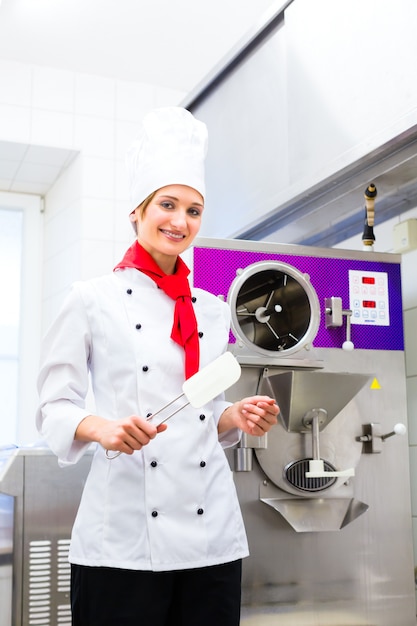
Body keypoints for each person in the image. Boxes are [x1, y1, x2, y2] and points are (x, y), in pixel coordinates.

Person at [36, 106, 279, 626]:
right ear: (137, 211)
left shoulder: (211, 309)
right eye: (167, 205)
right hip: (123, 538)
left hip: (211, 536)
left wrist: (231, 418)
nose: (180, 221)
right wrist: (102, 427)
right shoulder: (91, 299)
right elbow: (54, 408)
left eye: (194, 210)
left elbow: (200, 409)